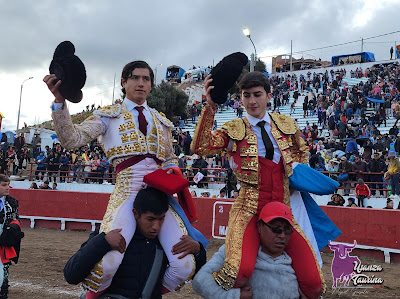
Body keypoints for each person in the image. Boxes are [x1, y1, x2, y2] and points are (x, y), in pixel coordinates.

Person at [44, 60, 204, 294]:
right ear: (124, 82)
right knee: (108, 264)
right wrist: (60, 101)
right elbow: (71, 139)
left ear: (151, 85)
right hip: (127, 195)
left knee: (183, 265)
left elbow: (169, 158)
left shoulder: (161, 121)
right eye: (135, 78)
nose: (141, 83)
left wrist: (171, 171)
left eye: (146, 79)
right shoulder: (108, 116)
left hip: (159, 200)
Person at [191, 71, 338, 297]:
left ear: (268, 96)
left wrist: (293, 176)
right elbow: (200, 147)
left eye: (257, 95)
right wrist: (210, 107)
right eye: (246, 95)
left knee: (315, 284)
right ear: (240, 98)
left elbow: (301, 151)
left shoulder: (286, 124)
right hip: (249, 208)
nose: (252, 101)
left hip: (282, 209)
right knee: (238, 272)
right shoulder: (233, 129)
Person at [64, 187, 206, 299]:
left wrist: (198, 251)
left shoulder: (167, 241)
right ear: (135, 214)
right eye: (150, 219)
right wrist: (103, 242)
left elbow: (196, 279)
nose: (156, 226)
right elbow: (71, 275)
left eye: (161, 219)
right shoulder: (109, 234)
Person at [193, 202, 305, 299]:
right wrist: (234, 296)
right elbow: (200, 280)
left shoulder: (297, 260)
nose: (282, 235)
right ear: (260, 227)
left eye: (287, 231)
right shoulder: (235, 251)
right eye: (276, 229)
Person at [0, 174, 24, 299]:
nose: (7, 188)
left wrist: (13, 230)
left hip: (4, 244)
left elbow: (16, 220)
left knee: (4, 278)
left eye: (8, 185)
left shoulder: (11, 203)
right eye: (4, 185)